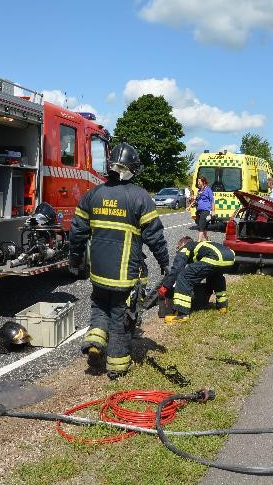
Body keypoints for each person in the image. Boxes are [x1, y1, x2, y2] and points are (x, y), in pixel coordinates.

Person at [69, 142, 170, 379]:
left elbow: (76, 234)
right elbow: (155, 237)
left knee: (99, 308)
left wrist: (74, 261)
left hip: (98, 273)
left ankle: (95, 344)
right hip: (124, 275)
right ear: (131, 169)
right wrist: (165, 263)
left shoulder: (92, 195)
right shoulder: (140, 197)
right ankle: (116, 368)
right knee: (120, 318)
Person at [158, 236, 235, 323]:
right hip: (230, 257)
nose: (178, 250)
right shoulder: (201, 246)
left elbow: (177, 269)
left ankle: (182, 314)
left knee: (184, 277)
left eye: (178, 247)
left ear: (183, 244)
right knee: (216, 275)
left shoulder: (186, 247)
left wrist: (166, 286)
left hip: (215, 257)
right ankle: (222, 306)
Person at [194, 176, 215, 241]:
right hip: (199, 210)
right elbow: (196, 200)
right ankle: (208, 241)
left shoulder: (208, 190)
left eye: (199, 181)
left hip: (206, 210)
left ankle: (198, 242)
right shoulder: (199, 190)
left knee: (201, 226)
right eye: (198, 181)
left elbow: (212, 200)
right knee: (204, 227)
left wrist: (213, 210)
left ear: (203, 182)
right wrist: (190, 206)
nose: (198, 183)